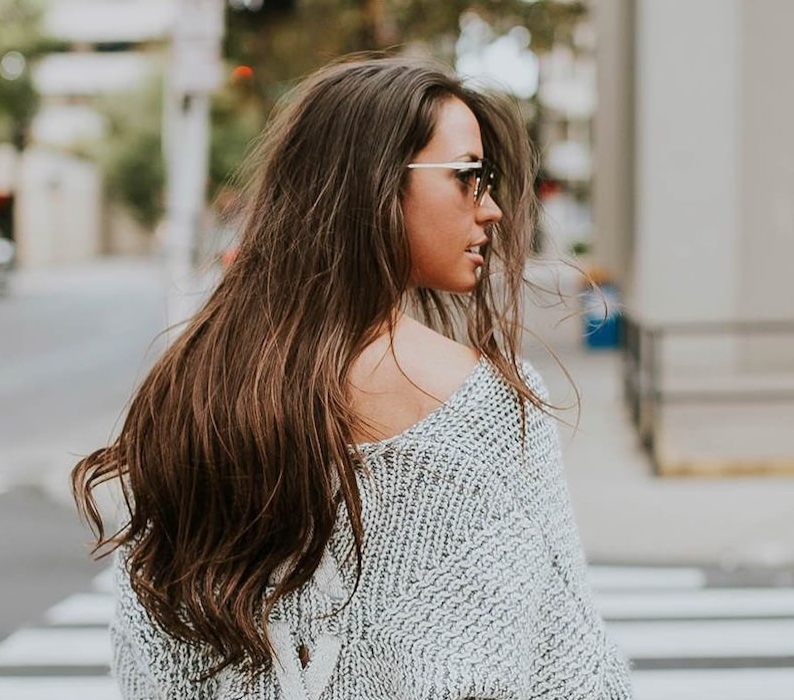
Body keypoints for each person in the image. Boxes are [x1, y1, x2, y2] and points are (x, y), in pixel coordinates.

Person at [71, 55, 632, 699]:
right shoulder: (488, 408)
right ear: (377, 184)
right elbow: (574, 671)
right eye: (469, 178)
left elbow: (150, 669)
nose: (495, 210)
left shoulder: (192, 391)